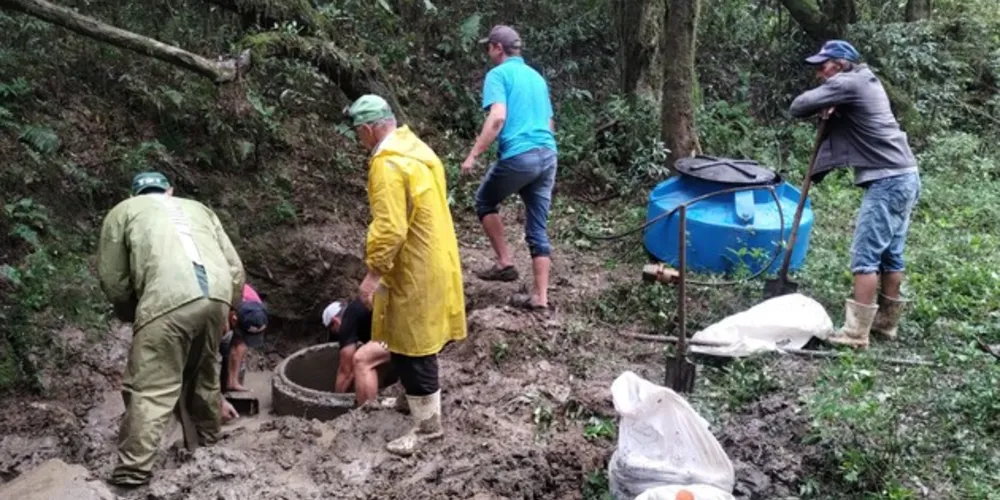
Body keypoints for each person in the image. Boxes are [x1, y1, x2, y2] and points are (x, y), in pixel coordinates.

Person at [98, 172, 244, 487]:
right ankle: (207, 443)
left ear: (135, 193)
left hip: (166, 300)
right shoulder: (199, 208)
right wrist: (227, 307)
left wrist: (133, 314)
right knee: (202, 374)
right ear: (170, 190)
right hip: (217, 295)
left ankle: (132, 472)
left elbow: (114, 279)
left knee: (150, 387)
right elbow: (234, 266)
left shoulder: (123, 212)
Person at [344, 94, 467, 456]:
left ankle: (428, 428)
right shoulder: (417, 149)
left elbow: (390, 227)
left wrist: (373, 273)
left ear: (368, 129)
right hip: (434, 256)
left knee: (416, 347)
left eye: (358, 134)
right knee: (402, 338)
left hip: (415, 267)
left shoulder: (387, 164)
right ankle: (409, 400)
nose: (358, 141)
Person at [789, 40, 921, 349]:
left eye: (824, 66)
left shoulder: (849, 82)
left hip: (888, 181)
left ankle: (855, 334)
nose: (819, 73)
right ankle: (886, 324)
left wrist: (829, 98)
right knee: (891, 254)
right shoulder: (864, 80)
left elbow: (797, 106)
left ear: (841, 64)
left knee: (866, 255)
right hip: (906, 176)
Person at [461, 24, 558, 311]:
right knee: (537, 227)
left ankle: (505, 262)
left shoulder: (498, 75)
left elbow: (497, 118)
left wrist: (473, 155)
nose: (487, 51)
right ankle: (540, 298)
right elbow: (550, 122)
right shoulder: (536, 78)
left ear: (498, 48)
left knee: (485, 201)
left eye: (488, 46)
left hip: (520, 155)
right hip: (548, 154)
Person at [321, 298, 391, 406]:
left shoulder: (346, 322)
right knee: (373, 358)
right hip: (406, 327)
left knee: (361, 361)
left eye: (332, 330)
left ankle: (368, 411)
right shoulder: (358, 309)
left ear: (335, 321)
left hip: (399, 335)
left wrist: (336, 400)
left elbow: (346, 372)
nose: (336, 334)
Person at [218, 283, 267, 423]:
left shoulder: (258, 310)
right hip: (215, 306)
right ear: (233, 318)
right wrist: (218, 399)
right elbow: (206, 357)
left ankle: (231, 382)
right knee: (223, 344)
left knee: (236, 343)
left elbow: (240, 345)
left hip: (236, 309)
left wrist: (233, 383)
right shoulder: (221, 310)